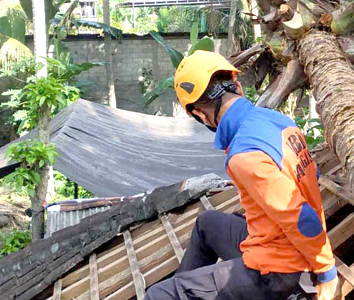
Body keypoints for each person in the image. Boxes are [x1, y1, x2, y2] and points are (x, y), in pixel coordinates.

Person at [144, 50, 339, 300]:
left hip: (276, 271)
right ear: (237, 86)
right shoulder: (279, 121)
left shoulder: (245, 154)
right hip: (279, 240)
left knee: (158, 294)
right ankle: (191, 290)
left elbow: (302, 219)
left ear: (200, 115)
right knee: (208, 223)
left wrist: (326, 274)